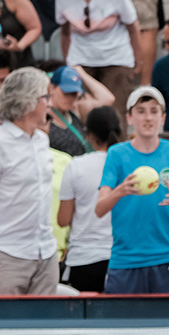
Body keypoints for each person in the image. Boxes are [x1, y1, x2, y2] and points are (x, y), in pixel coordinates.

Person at [0, 68, 57, 295]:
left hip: (46, 253)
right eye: (45, 97)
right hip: (7, 255)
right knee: (4, 327)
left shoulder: (42, 141)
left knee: (48, 329)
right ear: (28, 101)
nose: (50, 103)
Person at [96, 86, 169, 293]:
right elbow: (99, 209)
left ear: (163, 117)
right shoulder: (116, 153)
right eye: (141, 111)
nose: (148, 118)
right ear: (129, 118)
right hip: (125, 260)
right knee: (120, 324)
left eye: (154, 111)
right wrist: (120, 190)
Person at [56, 105, 121, 291]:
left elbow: (63, 220)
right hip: (120, 258)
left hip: (83, 259)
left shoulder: (76, 166)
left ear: (89, 134)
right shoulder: (127, 164)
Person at [56, 0, 141, 114]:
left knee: (115, 114)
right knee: (83, 113)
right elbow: (65, 32)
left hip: (116, 58)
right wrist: (68, 60)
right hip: (81, 59)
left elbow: (133, 27)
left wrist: (138, 59)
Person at [46, 66, 115, 158]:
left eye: (75, 94)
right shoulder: (42, 113)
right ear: (51, 88)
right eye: (66, 93)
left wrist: (82, 74)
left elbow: (108, 99)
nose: (72, 98)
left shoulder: (76, 109)